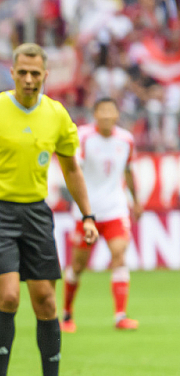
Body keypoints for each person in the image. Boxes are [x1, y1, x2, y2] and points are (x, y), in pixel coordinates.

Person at [0, 43, 99, 376]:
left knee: (46, 300)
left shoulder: (57, 115)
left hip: (36, 212)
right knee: (9, 297)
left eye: (36, 73)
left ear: (45, 75)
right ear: (13, 72)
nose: (29, 79)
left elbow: (72, 168)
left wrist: (88, 215)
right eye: (23, 72)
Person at [61, 98, 142, 333]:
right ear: (94, 114)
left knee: (119, 256)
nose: (106, 115)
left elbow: (128, 171)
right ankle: (67, 314)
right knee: (78, 265)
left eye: (110, 111)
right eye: (102, 111)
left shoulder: (126, 139)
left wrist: (136, 202)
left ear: (117, 115)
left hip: (116, 208)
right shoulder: (83, 137)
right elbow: (73, 169)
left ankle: (120, 316)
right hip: (87, 212)